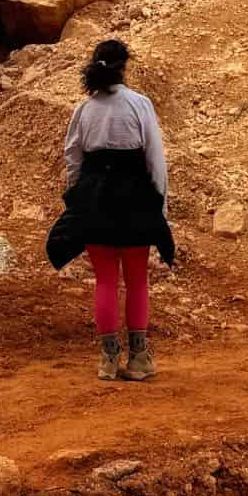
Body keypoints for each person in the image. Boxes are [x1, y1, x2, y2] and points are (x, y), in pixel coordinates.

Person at [52, 36, 175, 383]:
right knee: (137, 279)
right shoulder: (140, 104)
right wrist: (159, 206)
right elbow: (155, 159)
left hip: (95, 201)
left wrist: (80, 196)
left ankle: (108, 361)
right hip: (135, 200)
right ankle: (138, 358)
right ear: (125, 68)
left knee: (105, 280)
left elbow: (72, 156)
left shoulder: (84, 109)